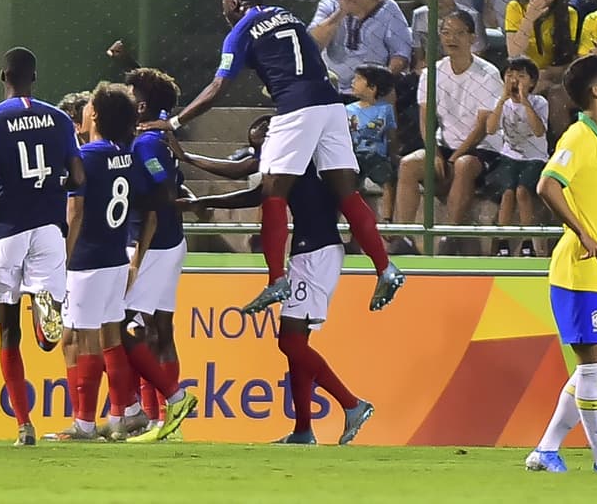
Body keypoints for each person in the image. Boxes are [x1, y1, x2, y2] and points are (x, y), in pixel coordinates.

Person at [149, 0, 403, 313]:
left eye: (225, 1)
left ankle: (275, 280)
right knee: (347, 193)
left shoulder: (240, 30)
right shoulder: (289, 15)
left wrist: (176, 121)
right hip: (331, 108)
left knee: (272, 193)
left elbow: (216, 88)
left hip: (296, 109)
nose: (223, 9)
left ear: (236, 1)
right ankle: (385, 267)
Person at [179, 161, 375, 446]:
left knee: (290, 344)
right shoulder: (293, 162)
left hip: (317, 255)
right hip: (309, 254)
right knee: (296, 347)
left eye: (262, 139)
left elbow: (244, 180)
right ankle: (303, 431)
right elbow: (255, 189)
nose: (261, 150)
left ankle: (352, 404)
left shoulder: (296, 160)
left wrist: (186, 159)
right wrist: (199, 197)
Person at [56, 82, 198, 443]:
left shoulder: (87, 157)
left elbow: (75, 211)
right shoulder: (127, 156)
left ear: (96, 115)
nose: (84, 111)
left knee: (86, 340)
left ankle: (87, 424)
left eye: (88, 106)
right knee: (111, 336)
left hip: (87, 259)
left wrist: (63, 260)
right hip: (117, 258)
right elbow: (152, 208)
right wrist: (135, 259)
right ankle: (129, 413)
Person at [0, 47, 83, 447]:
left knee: (6, 332)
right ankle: (43, 314)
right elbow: (78, 174)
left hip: (5, 230)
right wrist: (57, 190)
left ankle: (23, 426)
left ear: (3, 76)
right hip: (49, 227)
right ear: (35, 76)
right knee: (48, 334)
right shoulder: (61, 118)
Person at [525, 55, 597, 475]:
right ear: (596, 92)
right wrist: (583, 233)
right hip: (579, 271)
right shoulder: (577, 138)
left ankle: (546, 450)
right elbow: (548, 185)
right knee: (594, 370)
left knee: (596, 369)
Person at [119, 67, 200, 444]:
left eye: (130, 93)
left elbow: (165, 192)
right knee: (160, 332)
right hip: (170, 241)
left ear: (142, 105)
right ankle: (168, 426)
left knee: (128, 329)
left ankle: (158, 411)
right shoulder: (156, 137)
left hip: (153, 243)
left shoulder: (147, 144)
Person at [395, 11, 504, 254]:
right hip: (444, 144)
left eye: (458, 33)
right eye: (445, 32)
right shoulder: (432, 72)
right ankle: (406, 237)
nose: (451, 38)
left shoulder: (488, 74)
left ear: (472, 37)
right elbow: (426, 116)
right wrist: (433, 152)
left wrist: (454, 158)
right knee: (408, 164)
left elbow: (482, 126)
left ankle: (450, 234)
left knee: (464, 165)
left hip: (482, 148)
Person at [476, 57, 549, 257]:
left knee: (522, 191)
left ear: (532, 82)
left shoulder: (539, 102)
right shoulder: (502, 103)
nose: (515, 80)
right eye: (510, 76)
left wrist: (524, 101)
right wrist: (502, 100)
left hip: (535, 158)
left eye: (521, 76)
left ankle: (527, 242)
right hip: (509, 156)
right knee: (507, 194)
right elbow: (490, 129)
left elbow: (539, 131)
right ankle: (503, 242)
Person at [309, 0, 410, 95]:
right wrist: (341, 13)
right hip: (330, 85)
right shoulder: (328, 4)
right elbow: (313, 44)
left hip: (372, 90)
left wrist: (379, 83)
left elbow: (401, 54)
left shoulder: (389, 9)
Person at [505, 0, 580, 135]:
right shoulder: (515, 7)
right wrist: (530, 16)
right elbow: (514, 53)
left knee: (556, 95)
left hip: (555, 76)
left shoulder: (569, 14)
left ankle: (562, 150)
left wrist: (549, 73)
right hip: (522, 75)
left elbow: (570, 61)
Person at [410, 0, 487, 69]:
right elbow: (418, 58)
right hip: (429, 71)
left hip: (463, 71)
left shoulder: (472, 17)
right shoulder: (419, 15)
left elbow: (478, 55)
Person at [346, 65, 399, 222]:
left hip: (376, 156)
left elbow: (391, 134)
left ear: (372, 88)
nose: (353, 82)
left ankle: (387, 219)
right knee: (349, 185)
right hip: (354, 157)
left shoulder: (385, 110)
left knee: (388, 180)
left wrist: (393, 155)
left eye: (359, 79)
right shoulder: (347, 110)